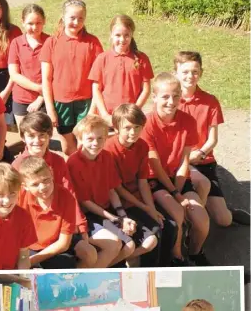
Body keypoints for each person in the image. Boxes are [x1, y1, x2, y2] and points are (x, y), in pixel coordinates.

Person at [139, 72, 211, 266]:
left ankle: (195, 253)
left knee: (202, 221)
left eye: (176, 96)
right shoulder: (147, 124)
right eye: (165, 96)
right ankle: (176, 256)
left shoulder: (188, 121)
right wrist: (175, 195)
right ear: (154, 97)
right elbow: (154, 164)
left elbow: (184, 160)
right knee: (176, 212)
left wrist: (178, 189)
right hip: (155, 179)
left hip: (177, 178)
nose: (171, 101)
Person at [174, 51, 250, 227]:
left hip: (202, 160)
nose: (190, 76)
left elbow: (212, 139)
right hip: (178, 161)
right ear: (176, 72)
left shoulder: (210, 101)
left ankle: (225, 210)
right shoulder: (170, 100)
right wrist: (184, 157)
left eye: (195, 71)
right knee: (200, 186)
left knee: (224, 221)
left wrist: (199, 153)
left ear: (201, 72)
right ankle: (193, 225)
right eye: (185, 72)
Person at [67, 115, 144, 268]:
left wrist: (122, 215)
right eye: (90, 139)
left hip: (103, 211)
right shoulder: (73, 163)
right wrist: (116, 219)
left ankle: (101, 269)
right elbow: (85, 202)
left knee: (129, 246)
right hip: (85, 215)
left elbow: (111, 189)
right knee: (114, 245)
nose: (95, 143)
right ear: (80, 139)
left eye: (100, 138)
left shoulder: (106, 157)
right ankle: (85, 279)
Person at [106, 104, 175, 267]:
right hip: (119, 202)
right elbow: (117, 188)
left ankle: (162, 268)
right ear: (116, 128)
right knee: (152, 234)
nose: (133, 132)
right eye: (128, 128)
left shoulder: (142, 146)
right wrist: (145, 208)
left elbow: (143, 182)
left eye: (137, 127)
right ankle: (124, 264)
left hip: (137, 198)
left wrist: (151, 208)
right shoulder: (109, 149)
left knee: (167, 226)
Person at [40, 0, 103, 156]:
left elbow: (99, 79)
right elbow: (46, 79)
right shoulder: (51, 42)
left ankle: (86, 176)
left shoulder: (92, 43)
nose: (76, 22)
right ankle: (74, 173)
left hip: (85, 102)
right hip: (61, 103)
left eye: (80, 18)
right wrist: (50, 109)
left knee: (86, 144)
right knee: (68, 146)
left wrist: (93, 107)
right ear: (63, 17)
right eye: (72, 18)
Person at [17, 157, 97, 269]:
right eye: (35, 184)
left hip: (57, 243)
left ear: (52, 173)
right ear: (25, 186)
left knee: (88, 254)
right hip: (30, 247)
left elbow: (63, 244)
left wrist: (30, 261)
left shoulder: (66, 197)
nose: (42, 187)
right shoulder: (19, 197)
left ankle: (74, 280)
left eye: (46, 180)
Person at [89, 15, 154, 126]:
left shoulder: (142, 58)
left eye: (126, 35)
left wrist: (134, 111)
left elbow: (146, 90)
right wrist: (105, 115)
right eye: (118, 35)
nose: (122, 39)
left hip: (131, 118)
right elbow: (96, 89)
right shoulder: (102, 58)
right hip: (107, 118)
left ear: (132, 35)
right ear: (111, 35)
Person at [8, 3, 49, 126]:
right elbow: (14, 74)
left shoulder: (50, 42)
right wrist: (37, 88)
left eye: (38, 23)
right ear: (23, 22)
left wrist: (40, 98)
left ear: (44, 21)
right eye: (30, 23)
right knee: (25, 138)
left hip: (44, 99)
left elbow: (53, 75)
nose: (34, 27)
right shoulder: (16, 43)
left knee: (42, 137)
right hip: (21, 99)